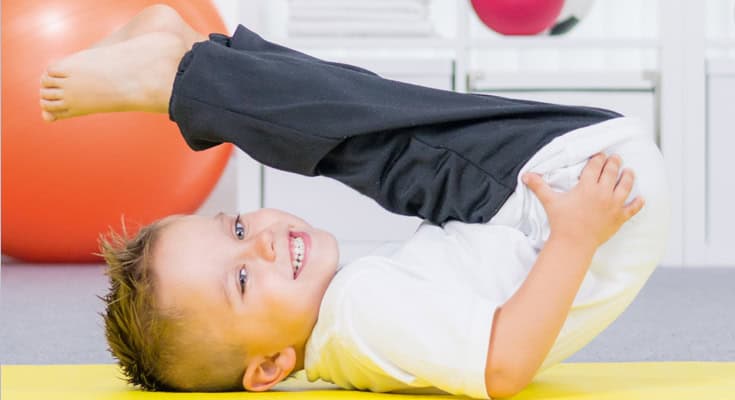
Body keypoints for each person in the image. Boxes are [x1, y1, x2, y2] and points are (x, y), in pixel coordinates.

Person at [40, 5, 669, 399]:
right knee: (372, 139)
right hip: (565, 197)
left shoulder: (350, 322)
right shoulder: (364, 317)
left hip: (551, 194)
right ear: (269, 367)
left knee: (363, 112)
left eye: (234, 226)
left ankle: (197, 61)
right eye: (239, 279)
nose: (259, 242)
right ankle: (183, 76)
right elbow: (503, 368)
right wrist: (576, 236)